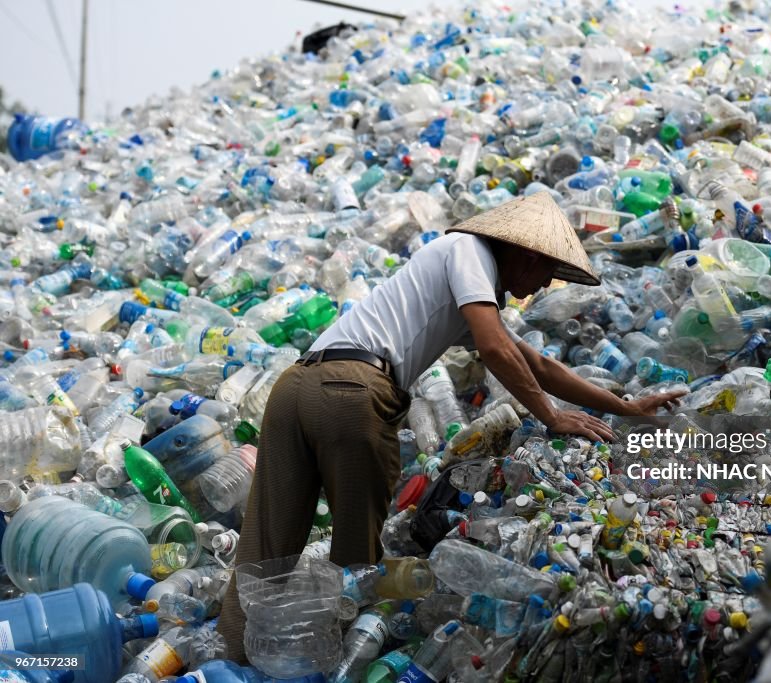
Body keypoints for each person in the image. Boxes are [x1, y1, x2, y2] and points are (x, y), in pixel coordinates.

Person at [217, 193, 685, 660]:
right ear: (527, 254)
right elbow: (497, 351)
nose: (540, 287)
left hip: (294, 387)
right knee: (356, 565)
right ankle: (337, 663)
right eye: (547, 273)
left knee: (264, 548)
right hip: (350, 393)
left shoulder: (463, 283)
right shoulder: (470, 252)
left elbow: (538, 363)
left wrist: (628, 408)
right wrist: (552, 416)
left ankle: (223, 659)